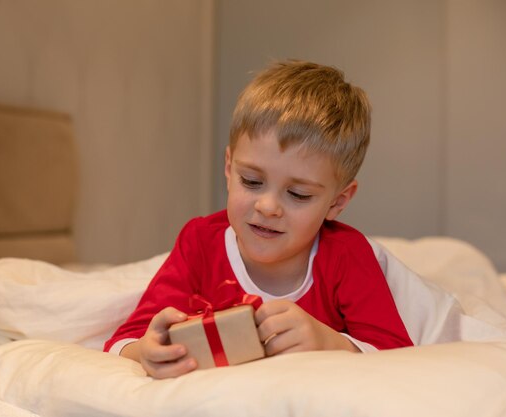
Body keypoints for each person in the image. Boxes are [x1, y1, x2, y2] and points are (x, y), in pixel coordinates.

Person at [104, 60, 413, 378]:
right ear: (228, 167)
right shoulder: (200, 242)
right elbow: (123, 342)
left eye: (298, 195)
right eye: (251, 181)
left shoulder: (346, 255)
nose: (268, 207)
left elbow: (398, 355)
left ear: (337, 202)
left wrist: (329, 341)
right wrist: (147, 350)